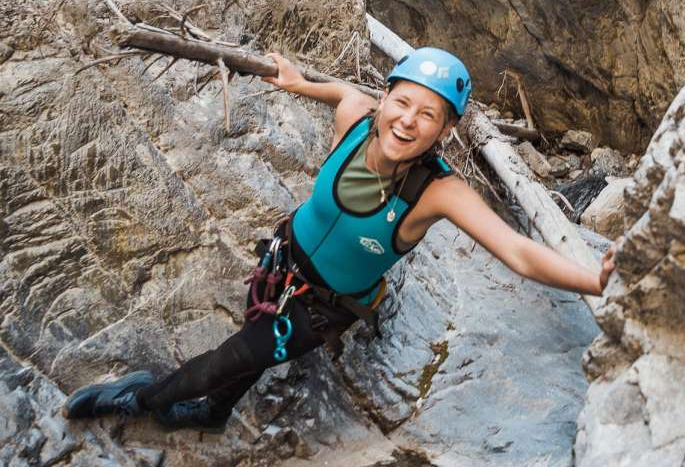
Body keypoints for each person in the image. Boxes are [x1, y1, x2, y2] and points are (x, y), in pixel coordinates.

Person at [62, 47, 618, 432]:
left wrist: (594, 278)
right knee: (251, 347)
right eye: (402, 102)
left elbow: (519, 252)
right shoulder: (358, 119)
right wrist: (299, 81)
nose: (407, 120)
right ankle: (215, 414)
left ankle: (144, 400)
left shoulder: (437, 193)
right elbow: (341, 93)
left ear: (446, 130)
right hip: (280, 263)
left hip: (319, 311)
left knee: (230, 358)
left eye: (429, 114)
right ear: (385, 98)